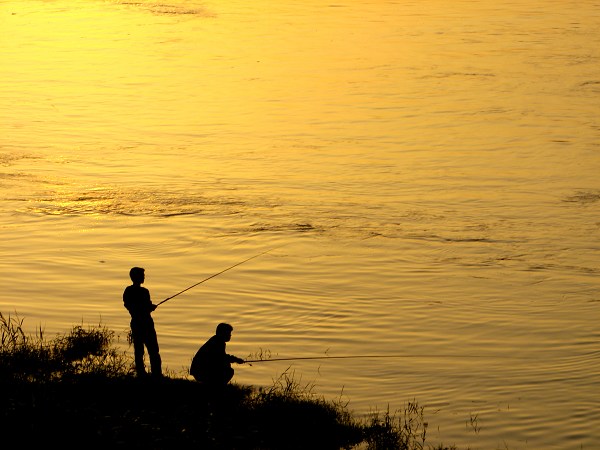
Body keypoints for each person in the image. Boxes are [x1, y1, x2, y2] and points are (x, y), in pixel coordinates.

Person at [123, 267, 162, 378]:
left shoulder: (128, 291)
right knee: (153, 350)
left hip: (137, 322)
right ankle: (156, 374)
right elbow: (143, 307)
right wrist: (150, 307)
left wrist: (148, 307)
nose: (144, 277)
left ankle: (142, 373)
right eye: (142, 275)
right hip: (145, 323)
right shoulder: (144, 292)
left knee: (139, 350)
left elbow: (129, 306)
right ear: (137, 277)